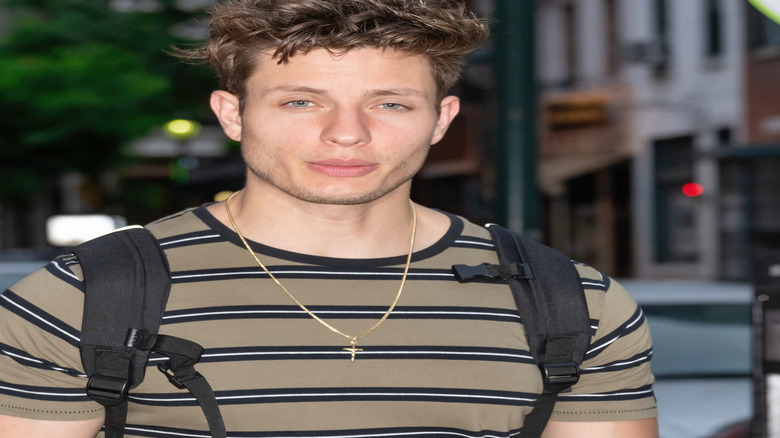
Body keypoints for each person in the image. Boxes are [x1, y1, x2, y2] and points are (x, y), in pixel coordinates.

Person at [0, 0, 658, 436]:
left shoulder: (576, 305)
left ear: (442, 120)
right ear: (233, 114)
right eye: (301, 101)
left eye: (391, 105)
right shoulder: (82, 299)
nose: (348, 134)